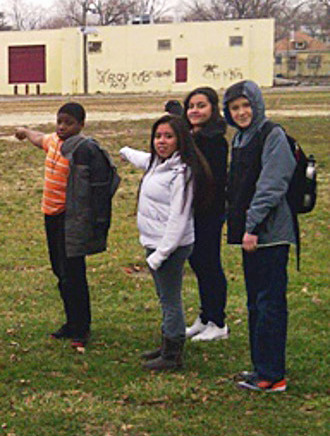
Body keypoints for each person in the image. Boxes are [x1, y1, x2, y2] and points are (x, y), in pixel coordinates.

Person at [15, 102, 118, 348]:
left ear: (81, 125)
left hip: (70, 220)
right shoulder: (54, 141)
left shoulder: (82, 150)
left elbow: (98, 187)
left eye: (68, 123)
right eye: (59, 121)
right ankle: (71, 322)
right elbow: (39, 138)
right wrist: (25, 131)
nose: (62, 127)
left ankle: (81, 328)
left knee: (73, 274)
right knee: (60, 272)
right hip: (50, 217)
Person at [120, 115, 213, 371]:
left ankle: (172, 354)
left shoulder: (181, 173)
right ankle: (166, 343)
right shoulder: (157, 163)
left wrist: (161, 254)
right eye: (158, 136)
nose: (161, 141)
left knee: (170, 299)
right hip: (154, 242)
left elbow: (179, 219)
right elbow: (142, 158)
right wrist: (124, 151)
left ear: (180, 140)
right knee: (164, 296)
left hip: (170, 246)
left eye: (168, 136)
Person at [223, 80, 296, 393]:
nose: (241, 112)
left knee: (269, 303)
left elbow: (272, 185)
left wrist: (252, 226)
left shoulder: (272, 135)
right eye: (234, 107)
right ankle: (261, 366)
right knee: (256, 302)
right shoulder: (240, 138)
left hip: (269, 234)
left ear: (257, 104)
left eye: (245, 105)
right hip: (251, 235)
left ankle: (273, 375)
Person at [182, 87, 230, 342]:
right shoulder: (190, 136)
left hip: (208, 211)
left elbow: (214, 179)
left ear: (212, 109)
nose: (195, 111)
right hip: (192, 210)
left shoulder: (214, 141)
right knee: (197, 261)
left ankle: (218, 321)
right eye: (191, 106)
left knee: (210, 262)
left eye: (201, 105)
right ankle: (205, 315)